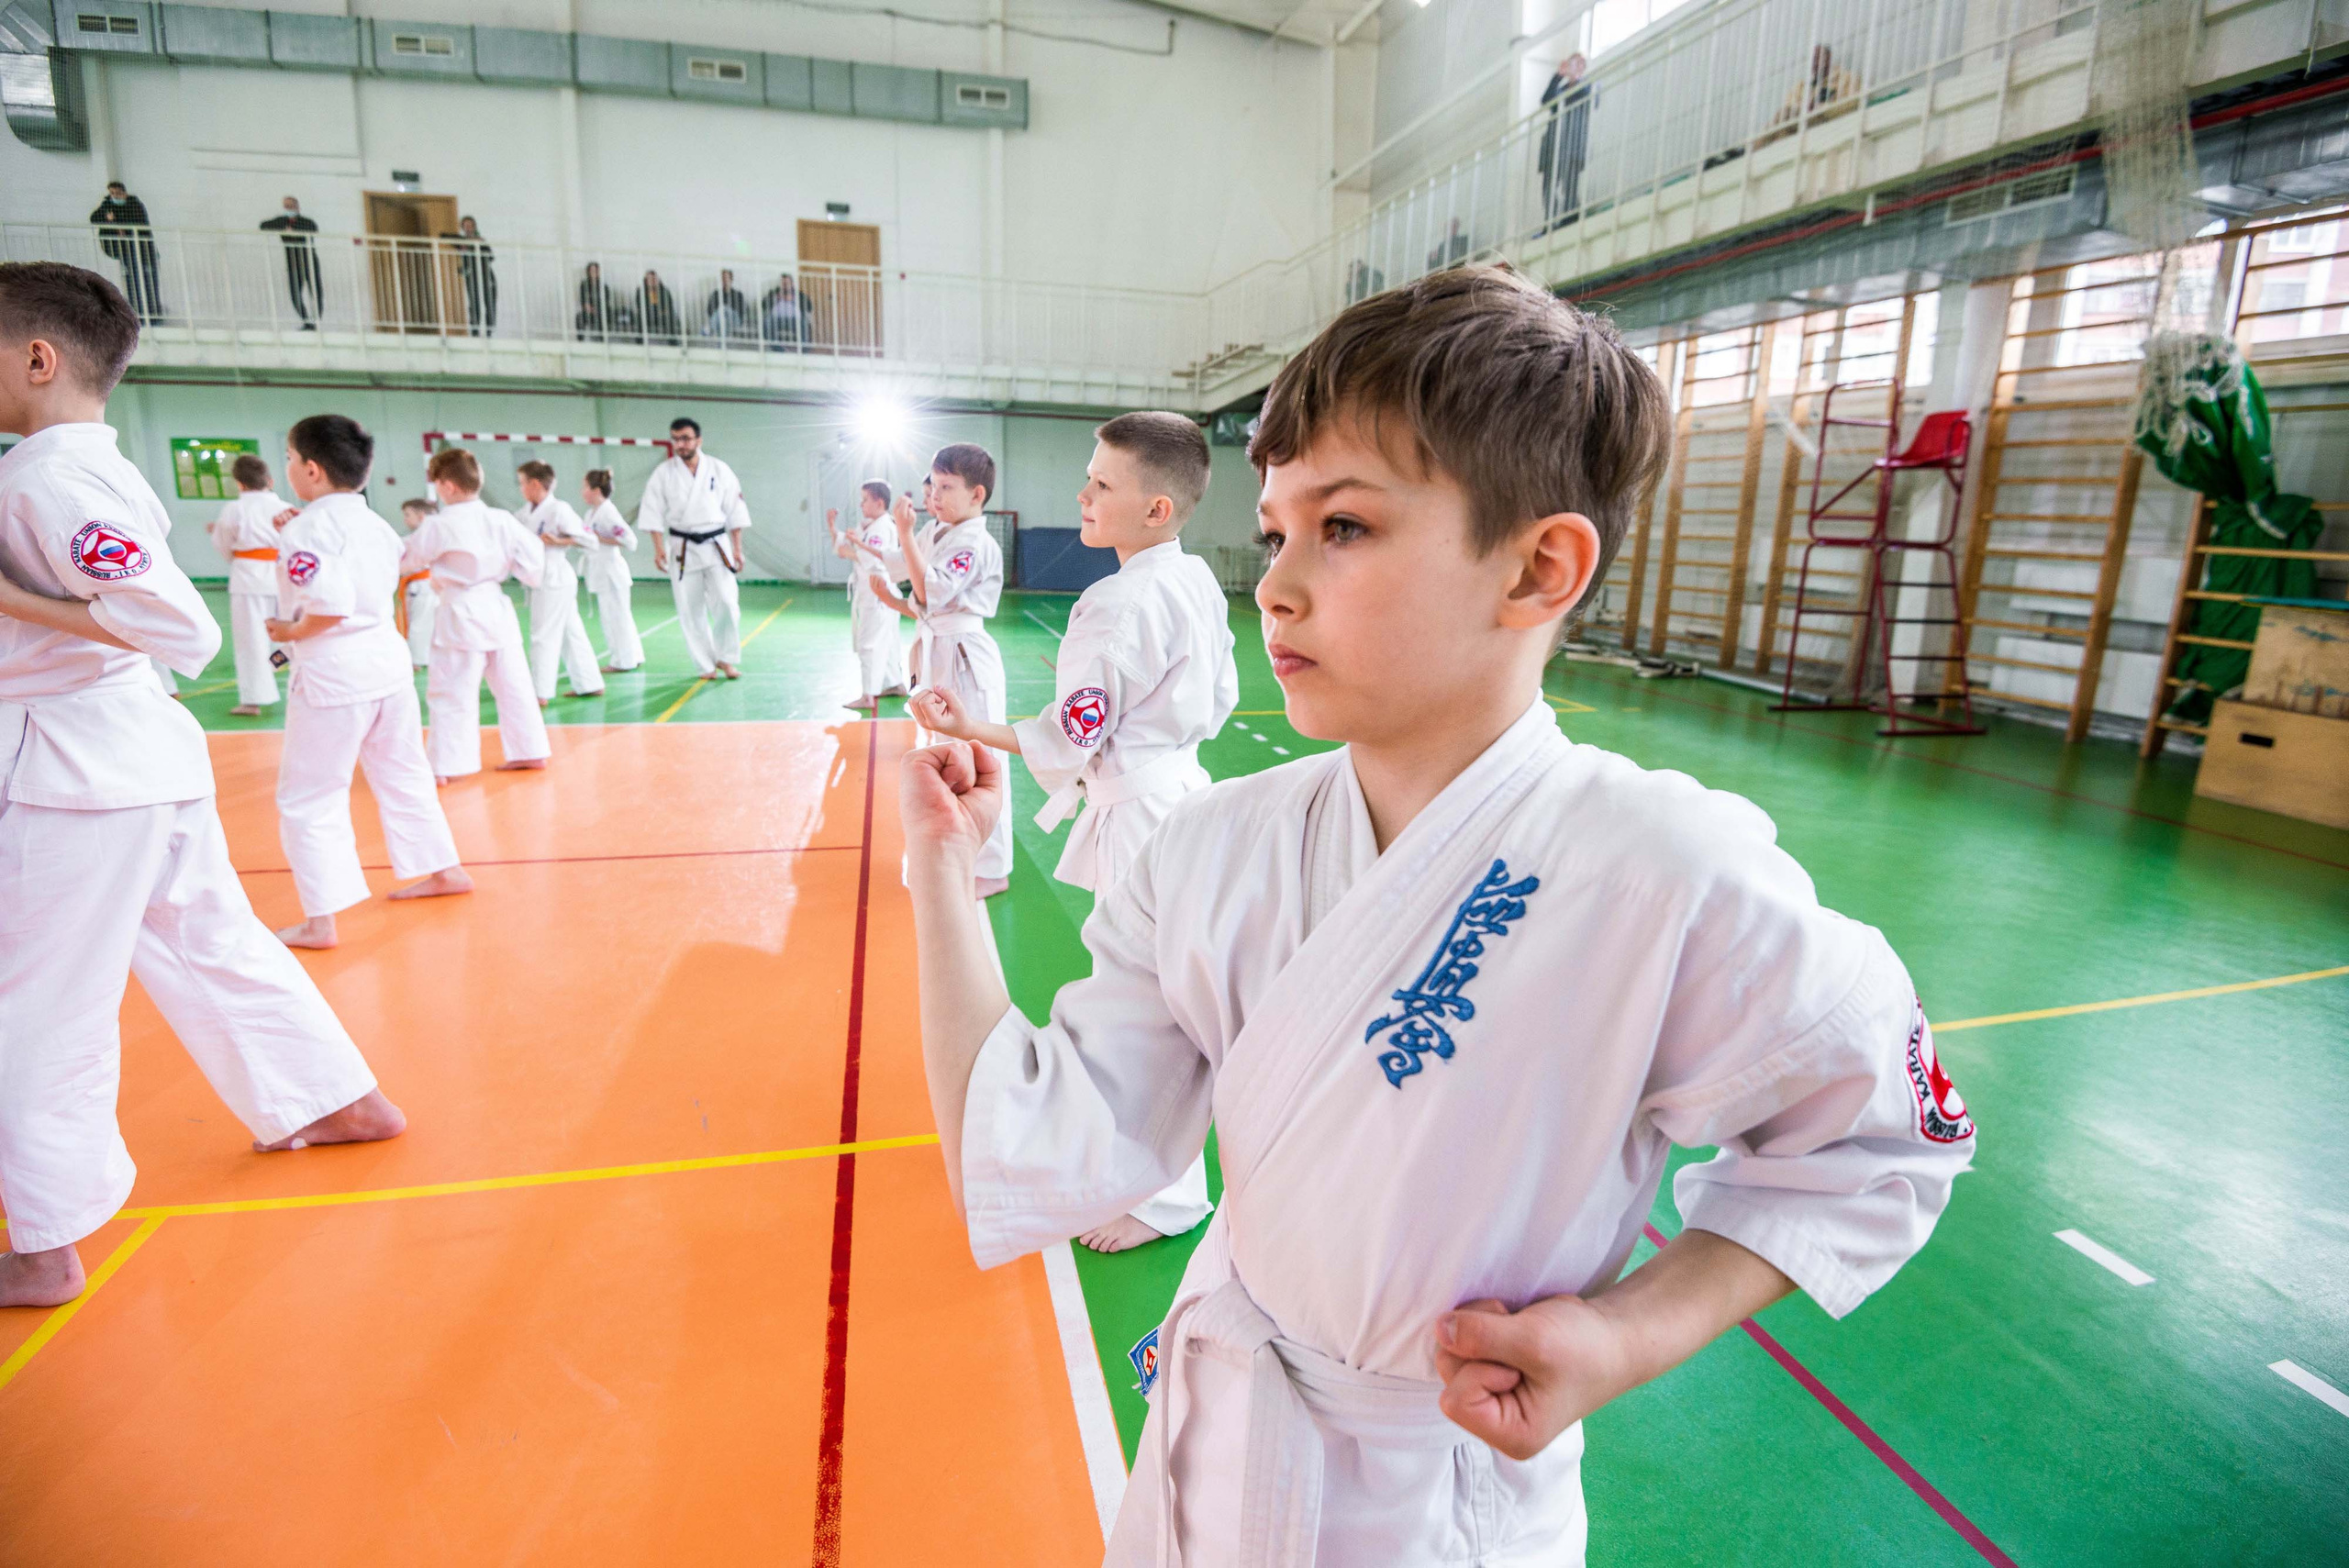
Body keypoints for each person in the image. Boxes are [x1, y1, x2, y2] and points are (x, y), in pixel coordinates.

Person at [895, 267, 1975, 1562]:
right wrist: (943, 879)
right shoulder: (1213, 849)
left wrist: (1628, 1335)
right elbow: (1029, 1135)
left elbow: (1880, 1140)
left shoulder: (1661, 871)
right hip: (1206, 1459)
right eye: (1280, 530)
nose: (1276, 586)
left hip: (1437, 1502)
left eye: (1343, 527)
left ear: (1537, 567)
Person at [0, 261, 406, 1309]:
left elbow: (180, 628)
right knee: (212, 940)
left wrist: (14, 603)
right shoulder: (84, 466)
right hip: (133, 757)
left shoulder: (44, 475)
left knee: (38, 1003)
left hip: (75, 768)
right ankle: (336, 1097)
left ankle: (43, 1244)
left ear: (39, 358)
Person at [912, 412, 1234, 1251]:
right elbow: (1223, 693)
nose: (1081, 495)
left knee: (1151, 1008)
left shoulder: (1118, 601)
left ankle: (1166, 1197)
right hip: (1179, 791)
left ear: (1156, 509)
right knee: (1167, 997)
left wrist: (978, 731)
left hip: (1141, 813)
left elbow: (1076, 731)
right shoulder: (1193, 578)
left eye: (1102, 484)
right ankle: (1156, 1179)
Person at [266, 415, 472, 950]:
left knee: (310, 795)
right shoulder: (377, 526)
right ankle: (443, 869)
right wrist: (295, 531)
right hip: (386, 665)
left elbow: (329, 606)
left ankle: (320, 920)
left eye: (289, 459)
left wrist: (290, 629)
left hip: (334, 672)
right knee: (403, 773)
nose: (288, 468)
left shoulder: (305, 529)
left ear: (311, 469)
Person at [885, 442, 1014, 896]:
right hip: (937, 643)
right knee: (944, 750)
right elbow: (904, 570)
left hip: (963, 651)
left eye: (946, 487)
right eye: (933, 486)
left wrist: (904, 533)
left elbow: (931, 589)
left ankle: (993, 867)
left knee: (980, 755)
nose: (934, 496)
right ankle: (960, 851)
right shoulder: (939, 532)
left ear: (977, 495)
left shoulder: (974, 541)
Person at [402, 446, 551, 781]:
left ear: (448, 486)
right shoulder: (502, 519)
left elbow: (408, 559)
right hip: (496, 608)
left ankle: (447, 765)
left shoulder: (439, 524)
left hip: (459, 610)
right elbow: (533, 564)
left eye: (437, 483)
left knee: (452, 690)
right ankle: (530, 750)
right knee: (514, 686)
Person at [639, 417, 749, 680]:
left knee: (727, 602)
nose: (680, 444)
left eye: (686, 438)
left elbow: (735, 509)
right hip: (682, 545)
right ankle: (705, 664)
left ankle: (726, 658)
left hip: (716, 544)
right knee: (690, 609)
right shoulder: (663, 473)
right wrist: (658, 548)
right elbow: (652, 512)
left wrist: (737, 548)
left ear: (698, 440)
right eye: (676, 439)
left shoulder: (719, 469)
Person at [516, 459, 603, 704]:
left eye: (522, 483)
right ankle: (590, 683)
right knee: (569, 630)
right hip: (541, 576)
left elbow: (591, 541)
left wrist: (559, 541)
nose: (521, 488)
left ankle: (540, 692)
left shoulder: (559, 509)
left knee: (542, 634)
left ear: (535, 484)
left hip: (554, 576)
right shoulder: (526, 512)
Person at [206, 451, 287, 715]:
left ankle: (253, 700)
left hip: (248, 577)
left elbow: (222, 543)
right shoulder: (284, 508)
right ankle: (277, 663)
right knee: (290, 632)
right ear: (270, 481)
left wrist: (239, 558)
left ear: (239, 483)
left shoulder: (234, 509)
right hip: (282, 576)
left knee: (251, 639)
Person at [828, 479, 907, 711]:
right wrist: (833, 526)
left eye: (865, 500)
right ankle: (893, 684)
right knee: (888, 641)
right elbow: (844, 548)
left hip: (877, 591)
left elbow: (872, 558)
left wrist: (851, 548)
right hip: (875, 592)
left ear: (879, 502)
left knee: (869, 644)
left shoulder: (882, 527)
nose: (861, 505)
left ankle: (868, 695)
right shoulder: (870, 525)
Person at [580, 468, 642, 673]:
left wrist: (600, 538)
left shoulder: (608, 512)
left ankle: (622, 661)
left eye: (585, 487)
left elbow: (630, 541)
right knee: (619, 615)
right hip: (600, 570)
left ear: (596, 490)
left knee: (615, 618)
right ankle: (634, 655)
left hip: (611, 572)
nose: (583, 491)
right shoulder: (591, 513)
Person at [1758, 45, 1861, 147]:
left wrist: (1820, 107)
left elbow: (1852, 102)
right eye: (1813, 59)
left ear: (1829, 58)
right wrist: (1806, 107)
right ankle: (1758, 147)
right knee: (1782, 123)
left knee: (1783, 116)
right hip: (1802, 123)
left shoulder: (1847, 78)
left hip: (1825, 120)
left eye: (1819, 58)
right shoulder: (1801, 86)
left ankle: (1753, 148)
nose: (1815, 63)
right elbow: (1789, 105)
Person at [89, 183, 161, 324]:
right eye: (112, 193)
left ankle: (152, 314)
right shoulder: (108, 205)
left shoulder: (134, 204)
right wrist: (109, 220)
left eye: (118, 193)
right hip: (126, 252)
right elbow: (94, 218)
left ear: (124, 193)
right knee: (131, 281)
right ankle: (136, 314)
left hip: (143, 250)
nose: (115, 196)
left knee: (148, 280)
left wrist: (117, 222)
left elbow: (139, 222)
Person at [1537, 55, 1594, 229]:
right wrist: (1558, 77)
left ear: (1582, 67)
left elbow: (1586, 96)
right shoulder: (1559, 90)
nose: (1569, 67)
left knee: (1569, 182)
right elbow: (1546, 100)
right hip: (1554, 143)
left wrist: (1575, 78)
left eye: (1574, 64)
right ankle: (1551, 221)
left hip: (1572, 142)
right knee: (1549, 186)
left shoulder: (1586, 86)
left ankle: (1570, 216)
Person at [258, 196, 323, 329]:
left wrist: (294, 232)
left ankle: (316, 322)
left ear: (297, 207)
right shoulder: (282, 221)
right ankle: (306, 321)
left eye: (290, 206)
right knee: (295, 294)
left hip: (309, 261)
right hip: (293, 263)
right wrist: (283, 228)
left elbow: (313, 228)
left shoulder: (306, 221)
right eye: (286, 206)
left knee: (316, 293)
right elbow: (263, 226)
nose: (288, 209)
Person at [395, 497, 437, 669]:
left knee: (419, 623)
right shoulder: (414, 538)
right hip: (423, 585)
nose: (405, 519)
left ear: (421, 516)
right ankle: (421, 657)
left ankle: (417, 659)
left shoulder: (424, 538)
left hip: (423, 585)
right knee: (423, 621)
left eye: (408, 515)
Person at [452, 217, 495, 337]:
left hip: (486, 275)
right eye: (465, 226)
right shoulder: (460, 241)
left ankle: (489, 331)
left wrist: (479, 243)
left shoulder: (481, 240)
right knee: (474, 303)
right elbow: (445, 237)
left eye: (470, 225)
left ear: (475, 227)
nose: (468, 228)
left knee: (490, 302)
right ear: (462, 228)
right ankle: (475, 331)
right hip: (472, 277)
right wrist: (464, 245)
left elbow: (491, 257)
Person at [762, 273, 813, 350]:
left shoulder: (798, 294)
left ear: (792, 284)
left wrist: (794, 299)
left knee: (804, 323)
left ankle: (803, 350)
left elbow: (809, 307)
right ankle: (778, 348)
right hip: (776, 320)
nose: (785, 285)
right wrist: (776, 298)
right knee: (766, 321)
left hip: (795, 320)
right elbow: (763, 305)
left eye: (787, 283)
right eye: (783, 283)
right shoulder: (774, 293)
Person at [704, 269, 750, 345]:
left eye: (726, 278)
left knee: (724, 309)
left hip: (734, 320)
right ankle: (722, 342)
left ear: (731, 279)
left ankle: (711, 330)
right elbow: (710, 310)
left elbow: (742, 311)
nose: (724, 280)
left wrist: (727, 311)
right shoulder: (716, 294)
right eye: (722, 278)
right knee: (722, 314)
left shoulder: (738, 294)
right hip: (719, 321)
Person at [575, 262, 618, 341]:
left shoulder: (603, 286)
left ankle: (603, 340)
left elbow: (606, 300)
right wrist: (588, 307)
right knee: (579, 317)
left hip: (601, 311)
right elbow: (582, 299)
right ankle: (580, 341)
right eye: (592, 270)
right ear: (588, 272)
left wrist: (597, 309)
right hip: (589, 311)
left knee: (603, 315)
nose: (594, 272)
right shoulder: (584, 285)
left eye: (596, 270)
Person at [637, 270, 681, 346]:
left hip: (662, 315)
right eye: (650, 279)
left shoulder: (664, 290)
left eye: (654, 279)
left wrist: (663, 311)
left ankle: (673, 342)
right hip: (648, 315)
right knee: (640, 317)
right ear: (646, 281)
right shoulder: (640, 291)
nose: (652, 281)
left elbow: (669, 305)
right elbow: (639, 305)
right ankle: (640, 341)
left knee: (671, 317)